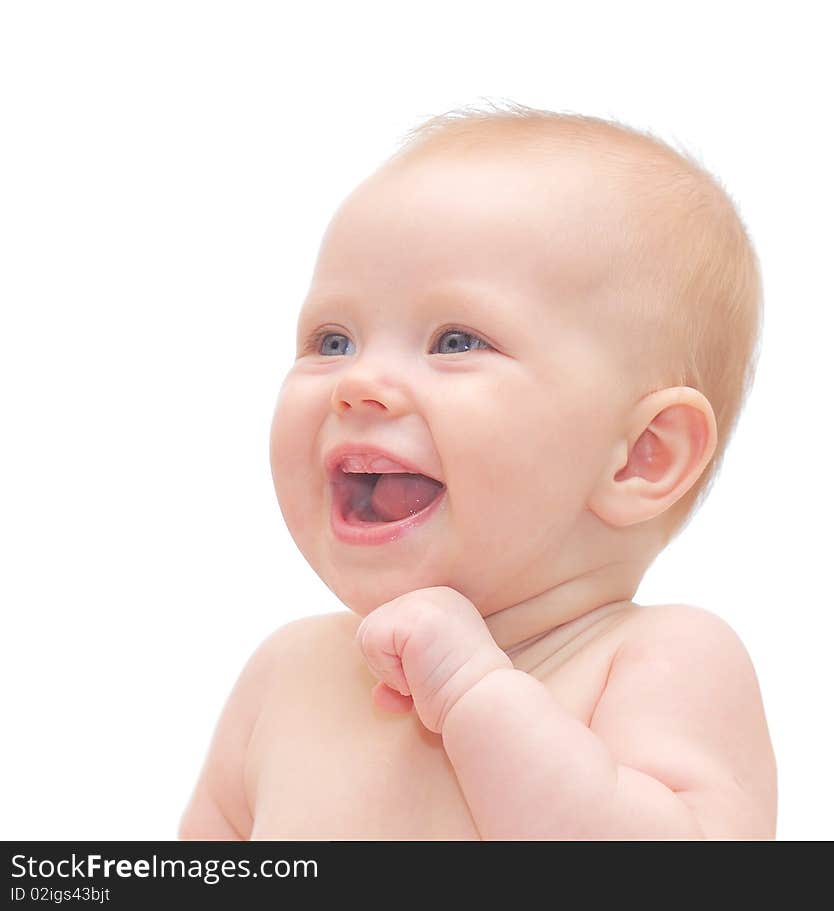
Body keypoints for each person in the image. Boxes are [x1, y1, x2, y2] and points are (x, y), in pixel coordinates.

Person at [179, 101, 776, 840]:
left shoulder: (665, 662)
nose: (357, 381)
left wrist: (474, 690)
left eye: (455, 338)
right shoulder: (284, 676)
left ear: (643, 454)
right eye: (332, 340)